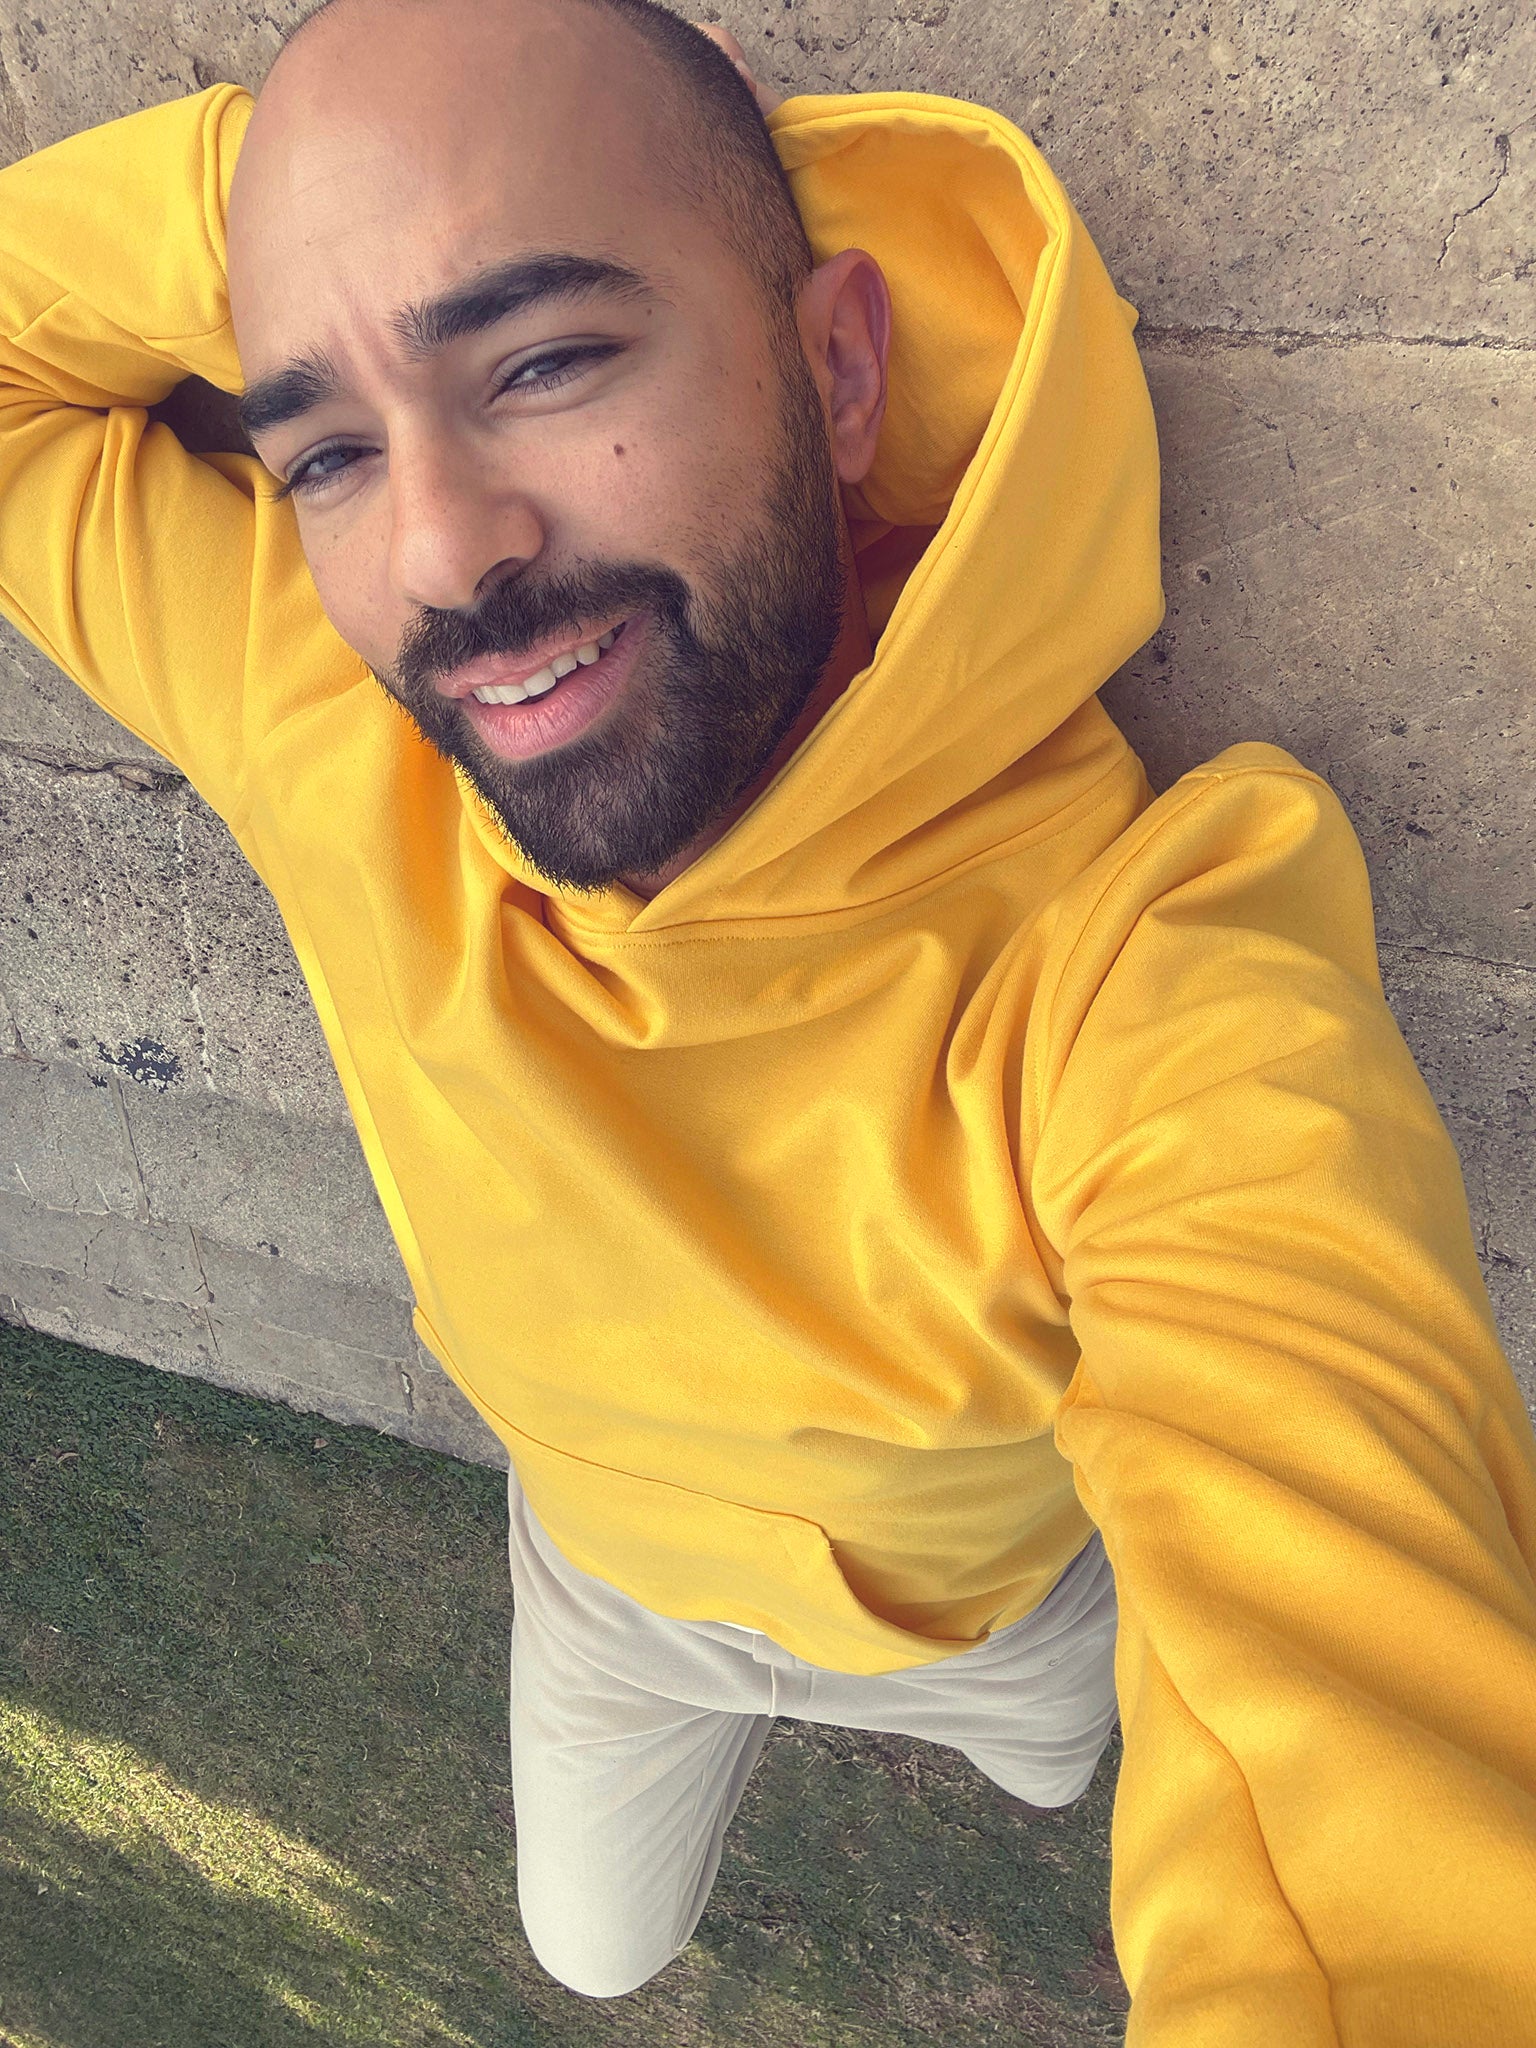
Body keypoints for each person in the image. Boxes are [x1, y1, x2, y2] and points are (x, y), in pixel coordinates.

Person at [2, 0, 1534, 2036]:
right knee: (594, 1953)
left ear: (836, 368)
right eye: (334, 453)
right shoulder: (321, 716)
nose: (441, 552)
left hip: (996, 1621)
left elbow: (1372, 1803)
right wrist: (303, 191)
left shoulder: (1143, 962)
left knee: (1055, 1764)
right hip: (607, 1590)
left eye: (544, 359)